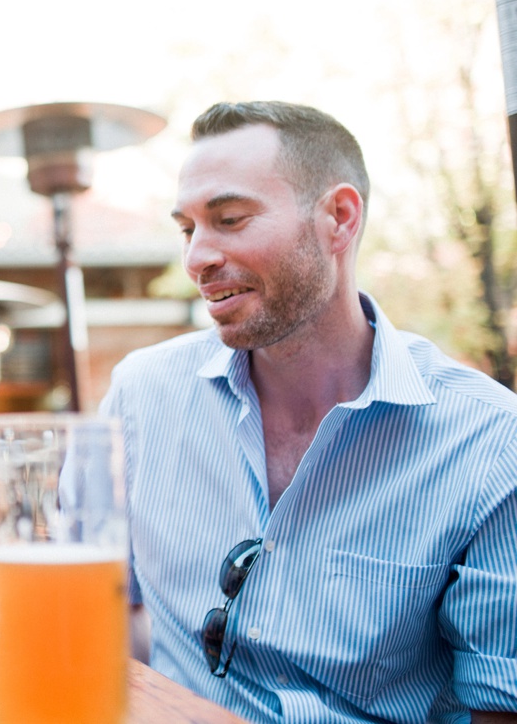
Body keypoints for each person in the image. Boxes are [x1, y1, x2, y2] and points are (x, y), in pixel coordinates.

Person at [101, 102, 517, 724]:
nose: (197, 259)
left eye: (230, 219)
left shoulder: (489, 439)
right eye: (188, 229)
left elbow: (497, 710)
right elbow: (92, 609)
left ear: (339, 219)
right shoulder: (140, 395)